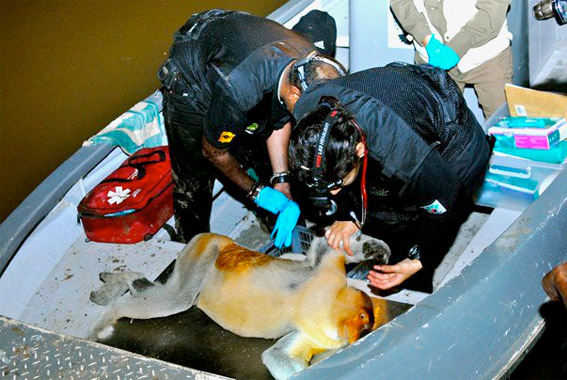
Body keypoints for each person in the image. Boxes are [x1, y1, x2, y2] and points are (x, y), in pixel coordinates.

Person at [288, 63, 491, 291]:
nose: (332, 193)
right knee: (379, 203)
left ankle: (414, 289)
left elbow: (447, 206)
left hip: (455, 145)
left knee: (420, 223)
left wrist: (418, 260)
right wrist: (350, 215)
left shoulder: (403, 158)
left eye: (336, 185)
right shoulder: (308, 115)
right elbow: (332, 171)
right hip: (402, 97)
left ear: (359, 150)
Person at [158, 9, 345, 246]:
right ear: (294, 92)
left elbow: (281, 119)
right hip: (191, 79)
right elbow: (213, 151)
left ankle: (281, 234)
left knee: (261, 148)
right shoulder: (241, 89)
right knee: (194, 179)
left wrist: (282, 178)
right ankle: (191, 249)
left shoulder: (311, 65)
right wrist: (257, 192)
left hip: (240, 54)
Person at [390, 0, 513, 119]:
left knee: (503, 128)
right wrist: (427, 39)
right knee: (438, 131)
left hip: (487, 59)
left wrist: (457, 46)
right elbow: (401, 2)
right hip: (433, 60)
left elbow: (494, 8)